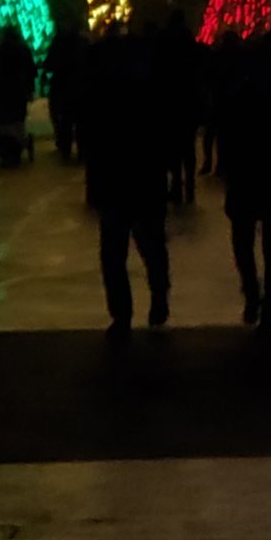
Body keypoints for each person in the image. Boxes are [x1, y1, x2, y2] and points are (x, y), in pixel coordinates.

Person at [214, 12, 271, 326]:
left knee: (244, 240)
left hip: (246, 174)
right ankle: (269, 306)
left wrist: (225, 167)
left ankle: (253, 294)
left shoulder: (239, 98)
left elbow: (227, 133)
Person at [83, 24, 170, 331]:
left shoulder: (101, 95)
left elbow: (92, 140)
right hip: (144, 177)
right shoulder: (148, 92)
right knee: (150, 244)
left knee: (114, 251)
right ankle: (158, 295)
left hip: (115, 180)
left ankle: (122, 313)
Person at [154, 7, 203, 205]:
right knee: (188, 146)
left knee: (172, 146)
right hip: (187, 100)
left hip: (169, 100)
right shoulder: (189, 41)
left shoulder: (164, 42)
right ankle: (189, 186)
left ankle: (175, 185)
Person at [44, 26, 87, 162]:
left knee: (64, 120)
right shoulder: (83, 45)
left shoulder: (58, 46)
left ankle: (65, 149)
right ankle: (82, 151)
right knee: (81, 121)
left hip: (62, 88)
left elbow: (48, 64)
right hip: (81, 87)